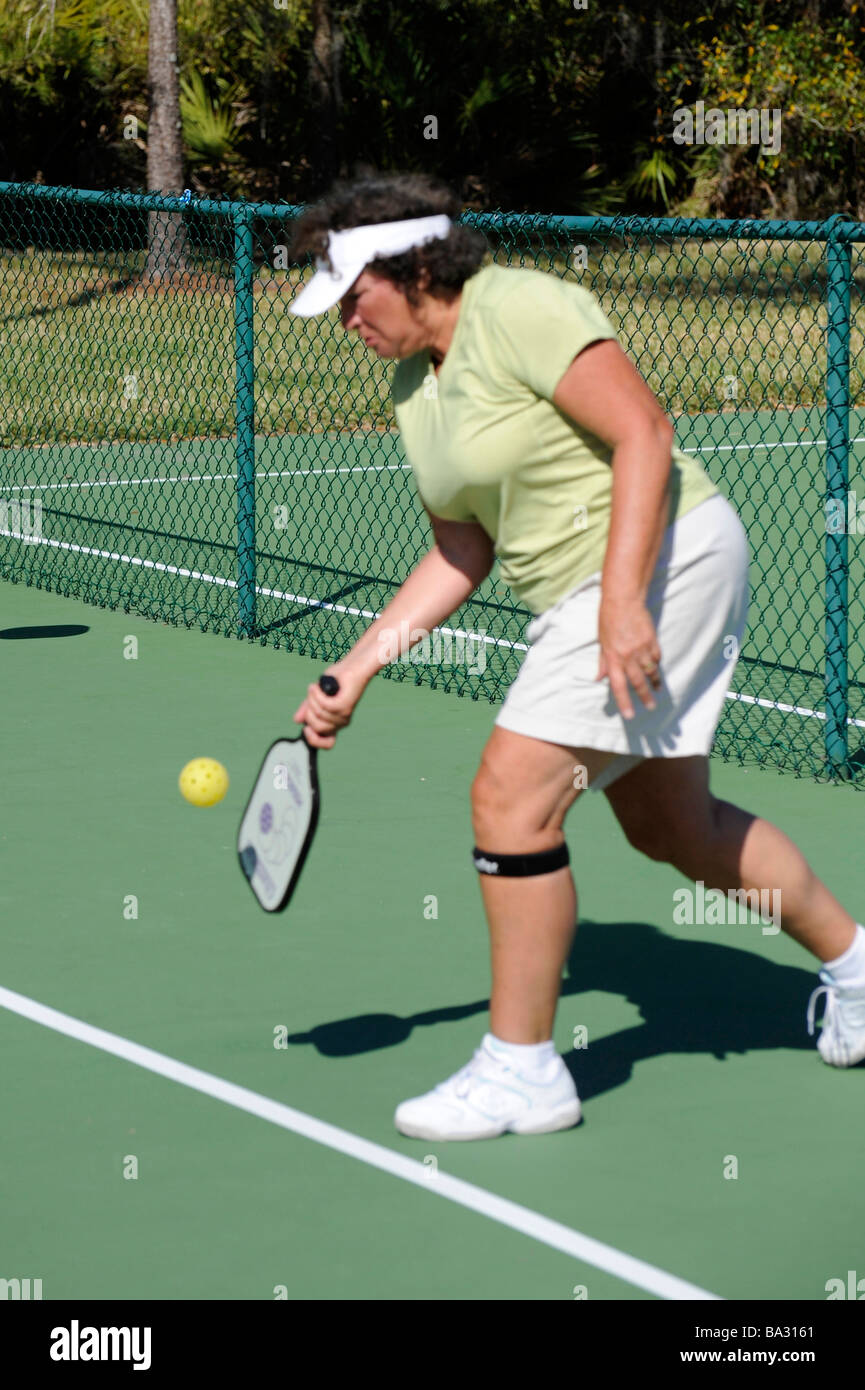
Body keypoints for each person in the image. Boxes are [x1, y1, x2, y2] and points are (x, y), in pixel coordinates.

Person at [287, 171, 865, 1142]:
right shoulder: (409, 387)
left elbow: (643, 430)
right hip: (586, 592)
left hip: (663, 560)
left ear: (416, 266)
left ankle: (522, 1069)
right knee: (671, 825)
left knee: (509, 796)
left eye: (353, 296)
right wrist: (358, 664)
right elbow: (459, 548)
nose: (345, 319)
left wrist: (624, 602)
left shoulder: (522, 306)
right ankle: (855, 968)